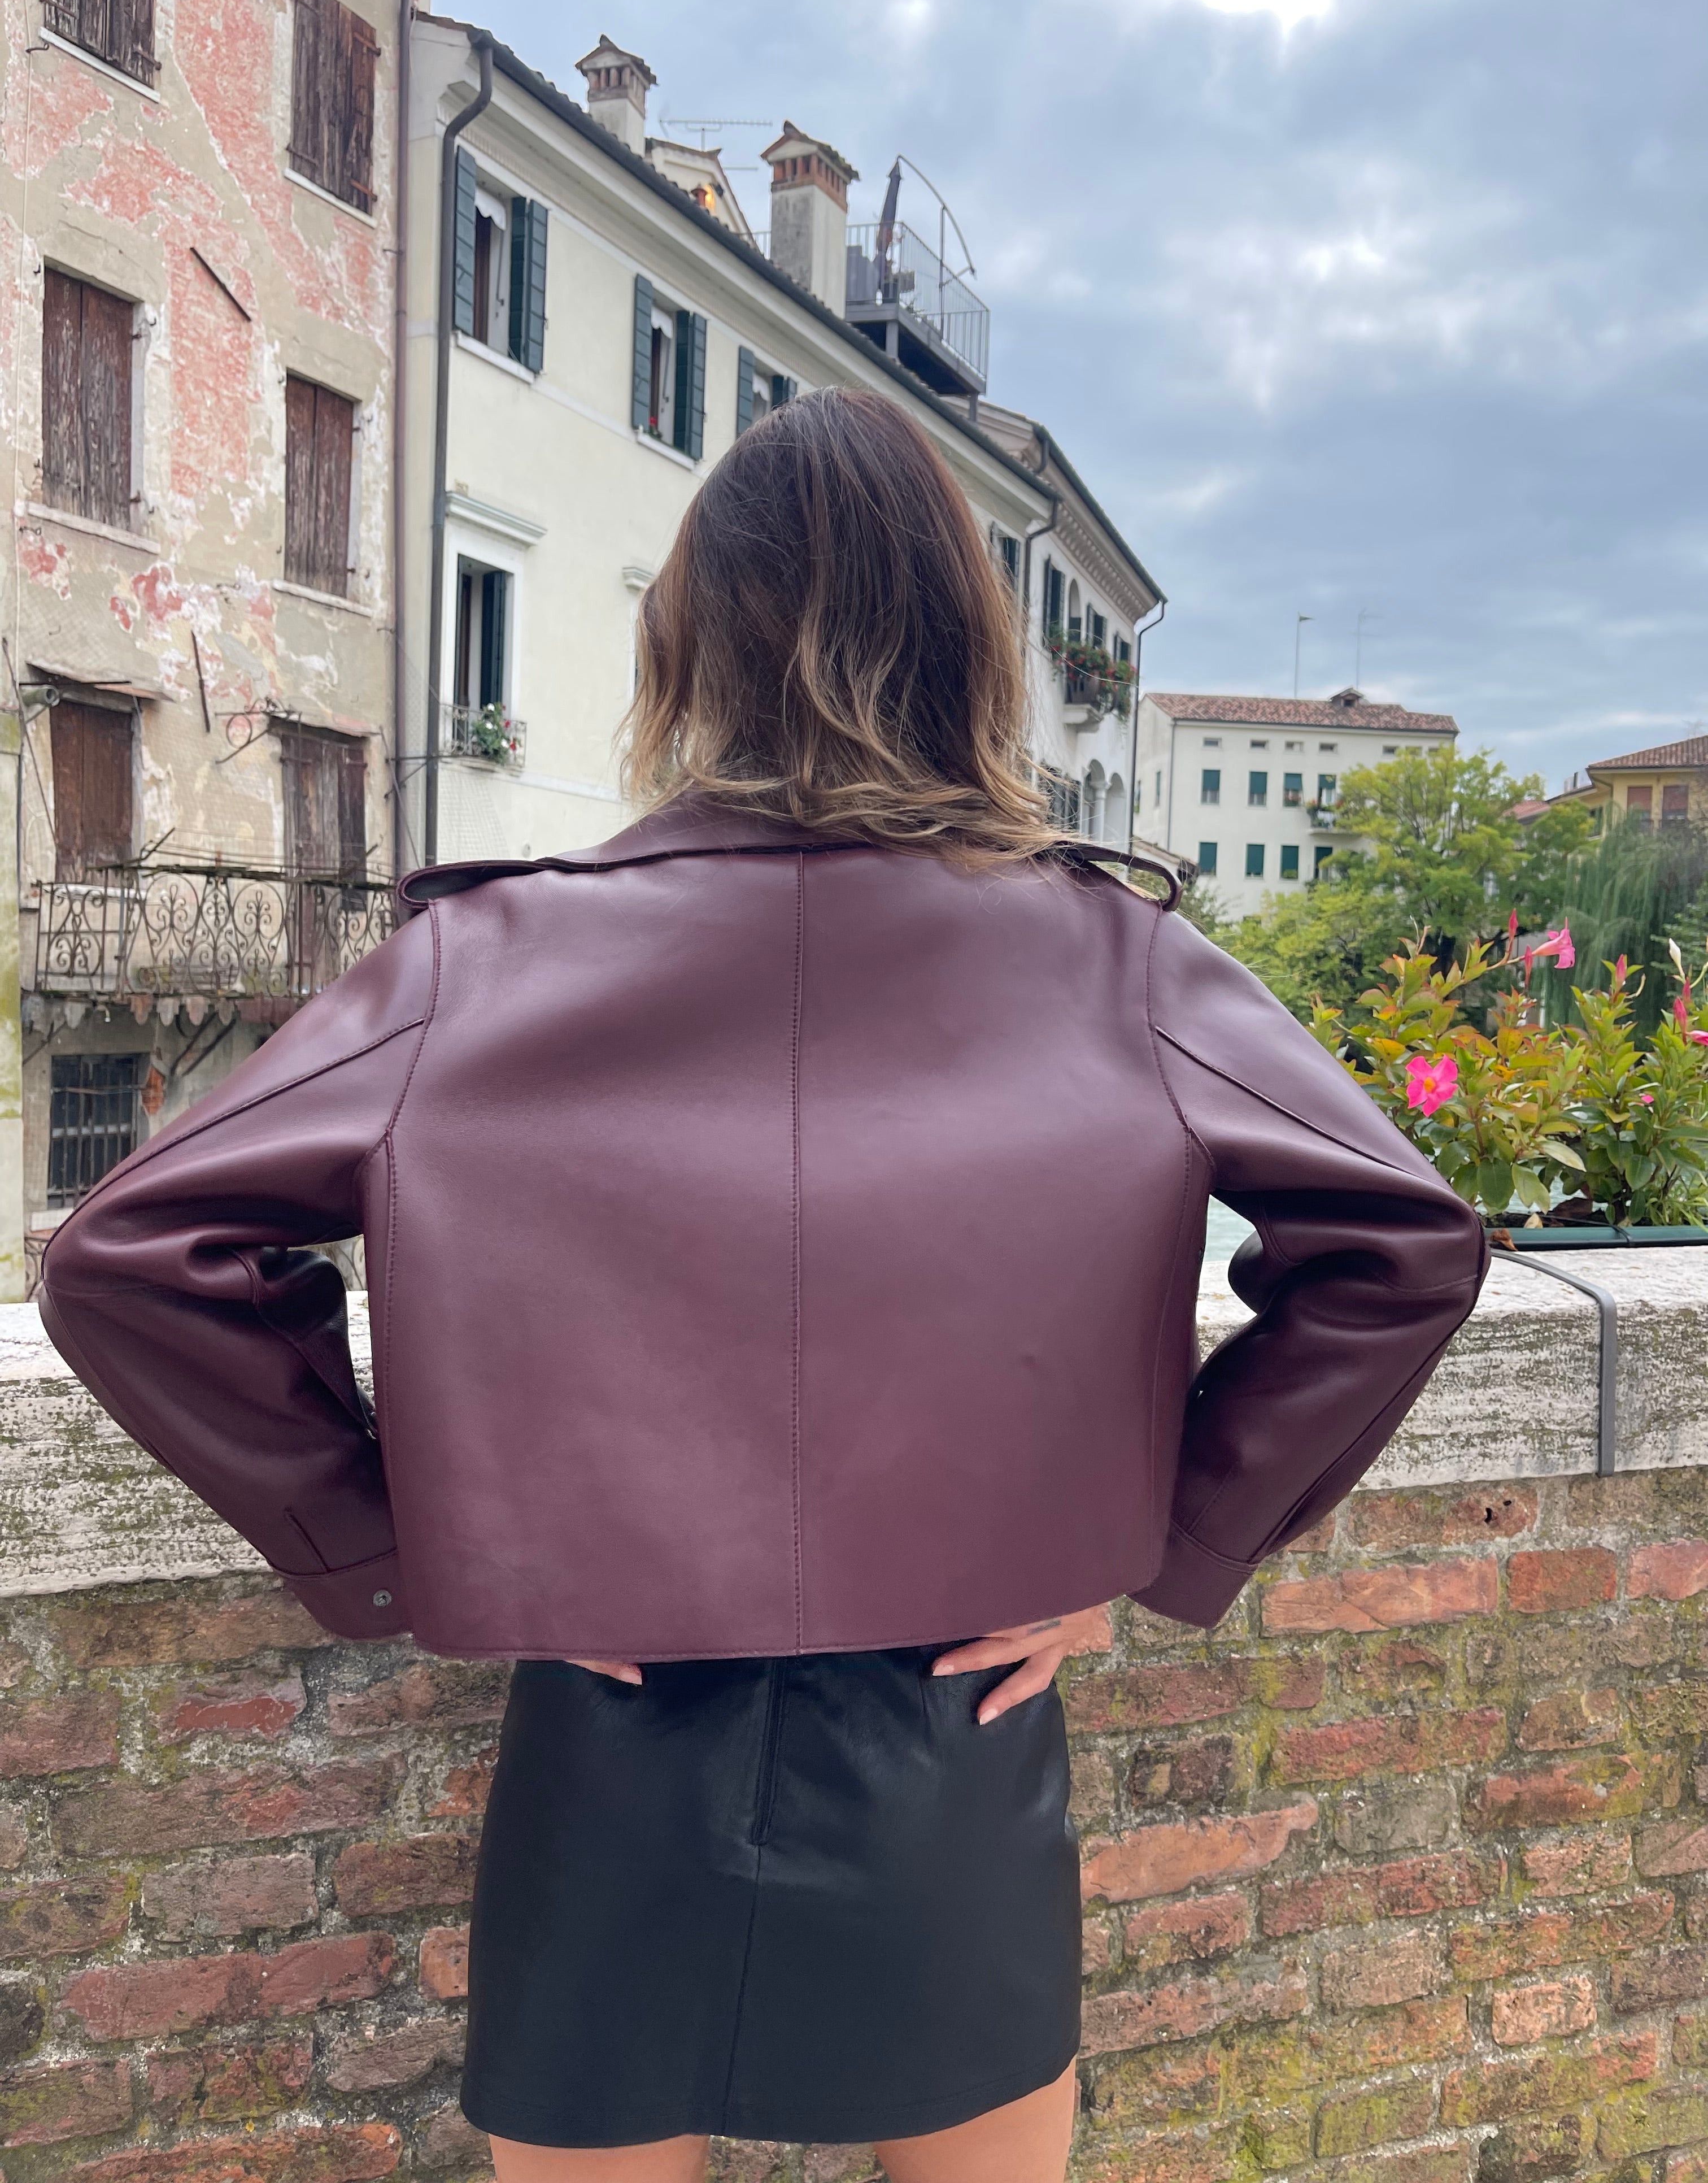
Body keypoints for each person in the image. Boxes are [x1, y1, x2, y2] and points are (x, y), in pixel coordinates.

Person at [38, 388, 1487, 2183]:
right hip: (959, 1722)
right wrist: (1172, 1543)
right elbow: (1403, 1244)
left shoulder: (479, 961)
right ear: (972, 645)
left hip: (613, 1723)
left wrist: (404, 1548)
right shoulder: (1121, 960)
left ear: (688, 645)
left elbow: (130, 1256)